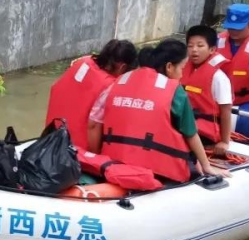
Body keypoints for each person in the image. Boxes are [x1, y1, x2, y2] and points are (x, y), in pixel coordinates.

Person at [87, 39, 230, 183]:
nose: (182, 75)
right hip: (158, 170)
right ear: (169, 67)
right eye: (182, 68)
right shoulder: (175, 91)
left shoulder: (119, 81)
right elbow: (191, 135)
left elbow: (94, 122)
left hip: (113, 162)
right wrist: (206, 165)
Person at [45, 40, 137, 151]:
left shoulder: (83, 62)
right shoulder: (108, 86)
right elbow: (93, 126)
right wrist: (94, 159)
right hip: (74, 152)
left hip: (50, 137)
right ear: (122, 67)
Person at [181, 25, 232, 157]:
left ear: (212, 49)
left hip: (204, 134)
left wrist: (224, 142)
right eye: (190, 46)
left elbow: (226, 110)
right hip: (186, 125)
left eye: (200, 46)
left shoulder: (219, 78)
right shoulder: (181, 69)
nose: (194, 50)